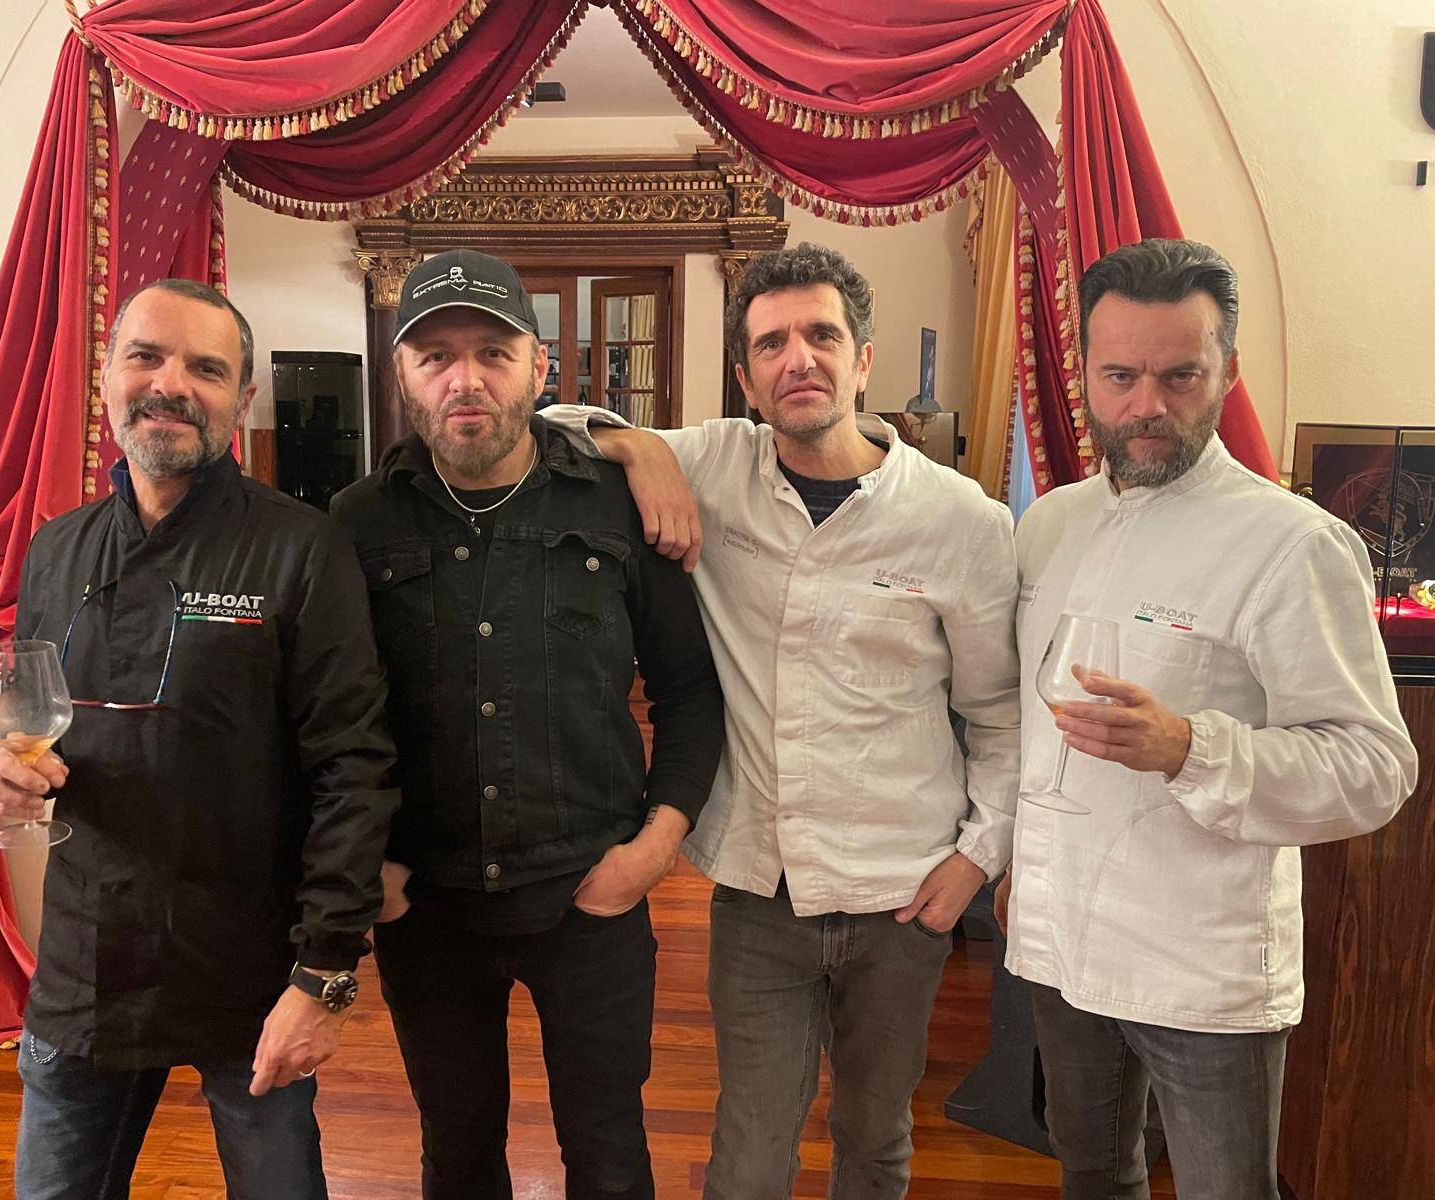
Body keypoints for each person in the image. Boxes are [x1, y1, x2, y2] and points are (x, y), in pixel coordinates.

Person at [540, 241, 1022, 1199]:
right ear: (745, 377)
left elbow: (997, 714)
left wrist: (978, 858)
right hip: (760, 891)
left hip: (902, 892)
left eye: (821, 336)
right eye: (771, 344)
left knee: (875, 1137)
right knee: (750, 1154)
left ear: (863, 360)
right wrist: (639, 448)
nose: (798, 359)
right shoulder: (715, 463)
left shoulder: (960, 520)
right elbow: (546, 427)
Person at [993, 238, 1417, 1200]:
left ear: (1228, 371)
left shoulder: (1293, 543)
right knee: (1091, 1171)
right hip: (1059, 940)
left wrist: (1190, 748)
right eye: (1121, 376)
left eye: (1180, 374)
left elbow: (1375, 766)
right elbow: (1030, 728)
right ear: (1085, 375)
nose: (1147, 404)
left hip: (1200, 960)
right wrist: (1021, 861)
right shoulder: (1050, 526)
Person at [0, 279, 399, 1199]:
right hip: (87, 962)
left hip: (248, 965)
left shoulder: (301, 548)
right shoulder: (56, 548)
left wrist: (324, 971)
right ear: (106, 377)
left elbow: (354, 772)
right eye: (146, 357)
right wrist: (0, 772)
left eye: (206, 369)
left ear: (240, 401)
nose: (171, 384)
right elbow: (26, 717)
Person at [330, 249, 725, 1200]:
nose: (464, 379)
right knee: (457, 1151)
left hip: (589, 894)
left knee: (609, 1153)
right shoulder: (355, 523)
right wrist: (369, 869)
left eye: (493, 353)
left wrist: (655, 848)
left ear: (540, 367)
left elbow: (690, 690)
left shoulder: (620, 504)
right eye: (435, 356)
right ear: (403, 375)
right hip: (427, 905)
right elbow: (329, 716)